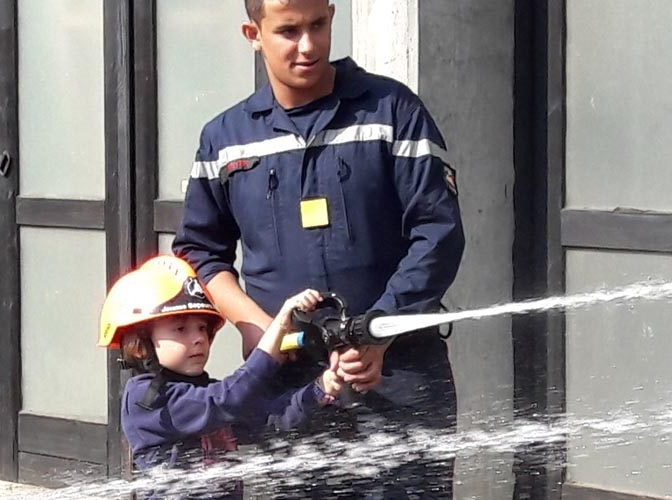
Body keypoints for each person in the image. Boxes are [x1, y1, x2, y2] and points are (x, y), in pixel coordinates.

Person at [175, 0, 465, 496]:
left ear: (332, 16)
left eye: (318, 25)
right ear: (253, 34)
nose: (307, 45)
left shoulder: (391, 110)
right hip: (287, 392)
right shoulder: (224, 139)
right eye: (288, 31)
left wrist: (381, 330)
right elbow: (201, 252)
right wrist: (260, 332)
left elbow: (438, 231)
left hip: (399, 378)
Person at [98, 255, 343, 498]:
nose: (198, 338)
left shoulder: (206, 393)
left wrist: (319, 389)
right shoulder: (147, 398)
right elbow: (227, 400)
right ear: (140, 344)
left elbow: (270, 419)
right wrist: (278, 327)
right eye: (181, 328)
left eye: (202, 328)